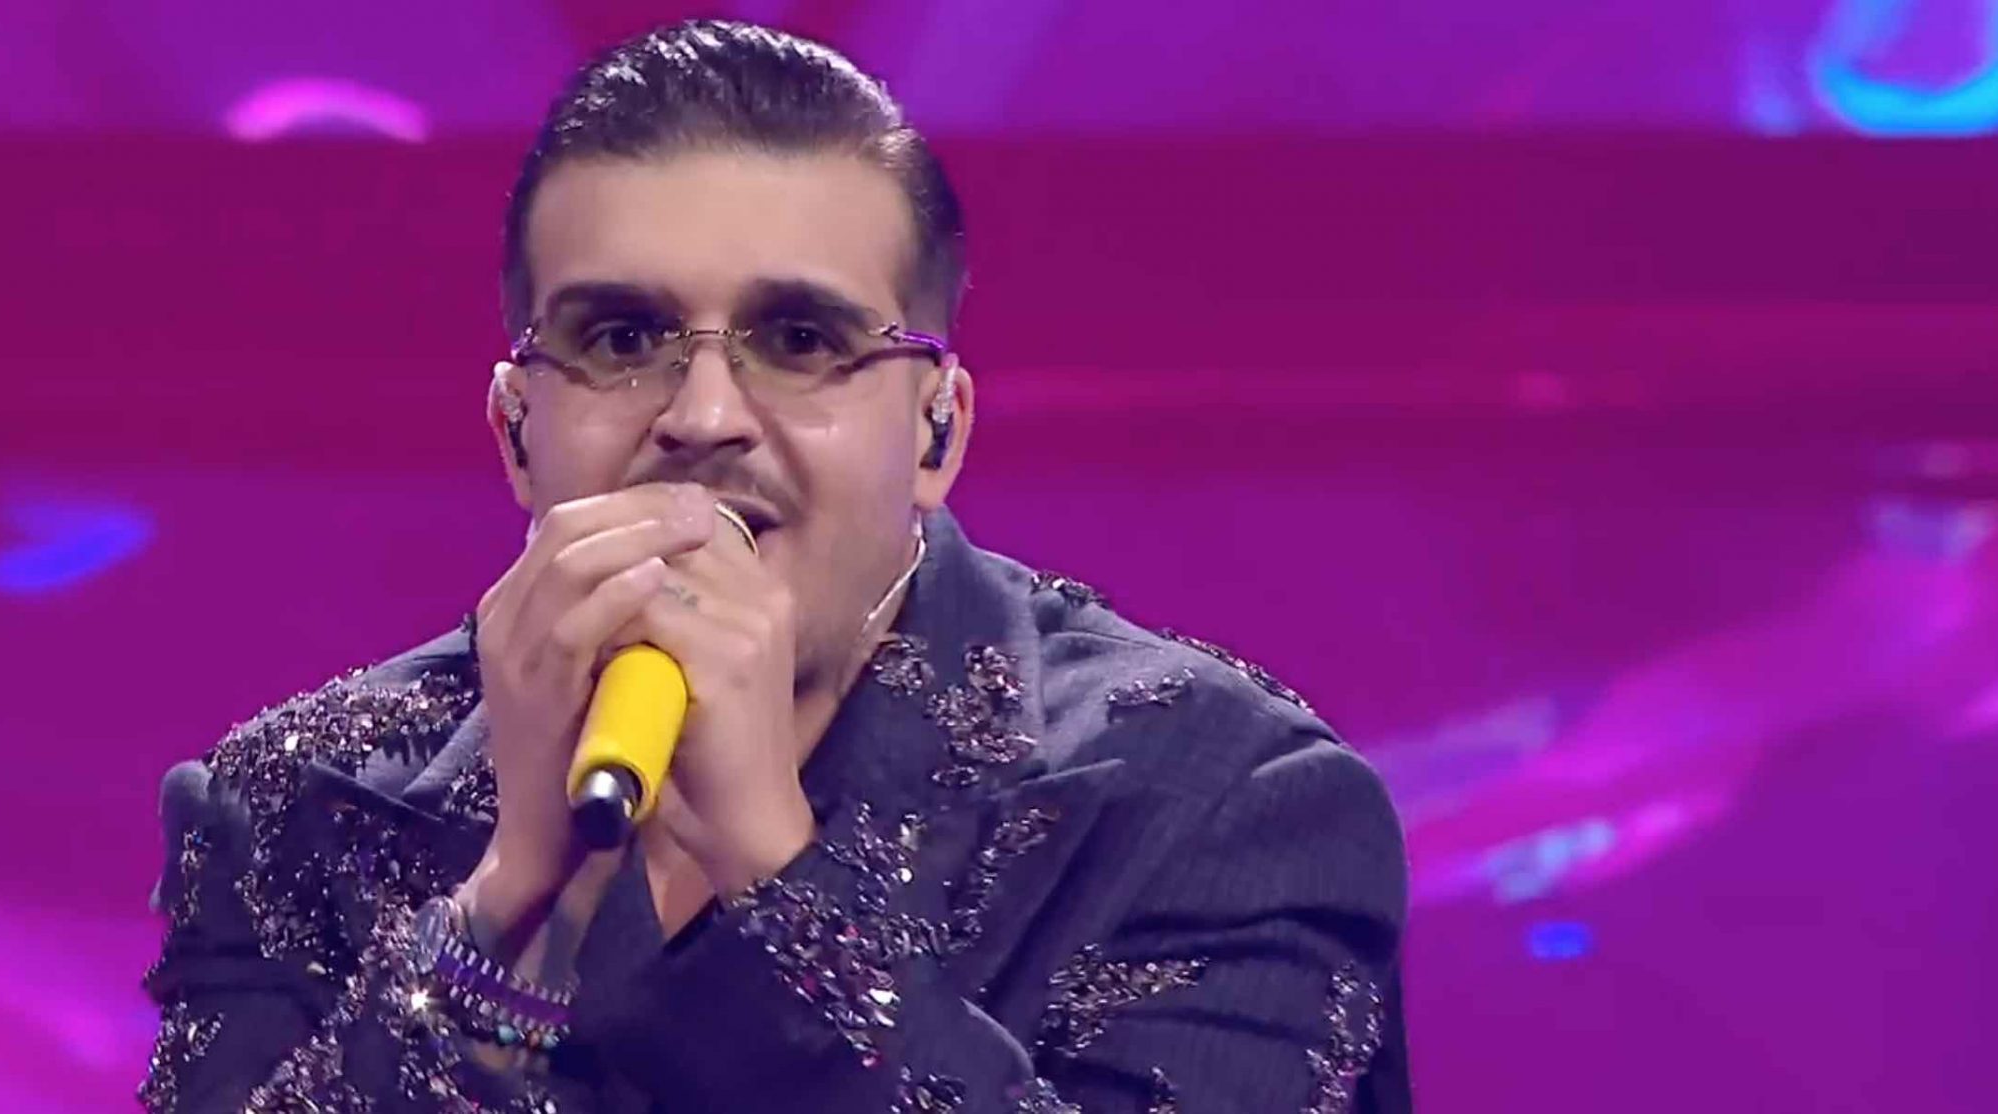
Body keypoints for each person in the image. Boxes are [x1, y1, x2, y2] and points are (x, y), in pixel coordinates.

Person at [139, 19, 1409, 1113]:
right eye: (621, 337)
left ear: (937, 431)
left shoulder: (1222, 802)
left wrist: (781, 876)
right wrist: (507, 904)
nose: (703, 415)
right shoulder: (287, 805)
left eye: (799, 339)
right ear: (516, 432)